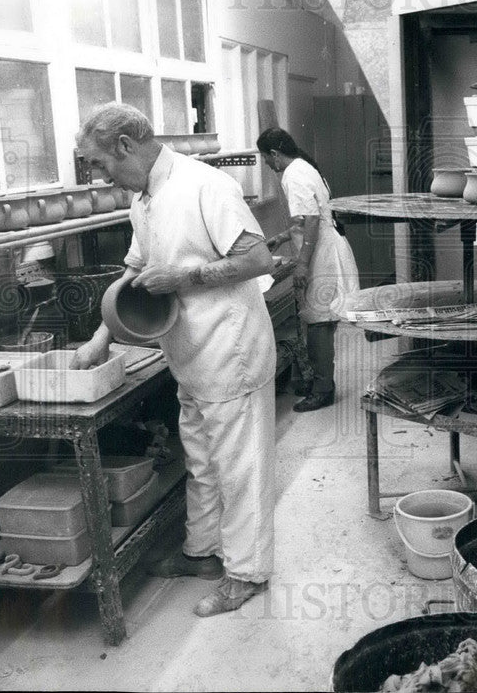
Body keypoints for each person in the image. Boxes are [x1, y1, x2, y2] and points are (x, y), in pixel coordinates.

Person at [71, 103, 277, 617]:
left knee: (241, 468)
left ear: (125, 145)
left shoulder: (205, 185)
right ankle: (201, 553)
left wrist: (183, 278)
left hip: (229, 350)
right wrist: (101, 338)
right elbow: (135, 271)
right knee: (202, 462)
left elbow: (257, 259)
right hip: (187, 353)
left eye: (100, 163)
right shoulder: (143, 198)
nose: (101, 176)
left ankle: (246, 574)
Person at [257, 128, 360, 412]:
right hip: (324, 246)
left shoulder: (294, 174)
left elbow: (312, 220)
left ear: (275, 154)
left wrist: (301, 264)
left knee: (319, 321)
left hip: (322, 253)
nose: (266, 163)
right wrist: (282, 237)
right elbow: (306, 220)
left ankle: (323, 388)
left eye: (265, 158)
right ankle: (318, 379)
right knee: (318, 318)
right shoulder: (303, 166)